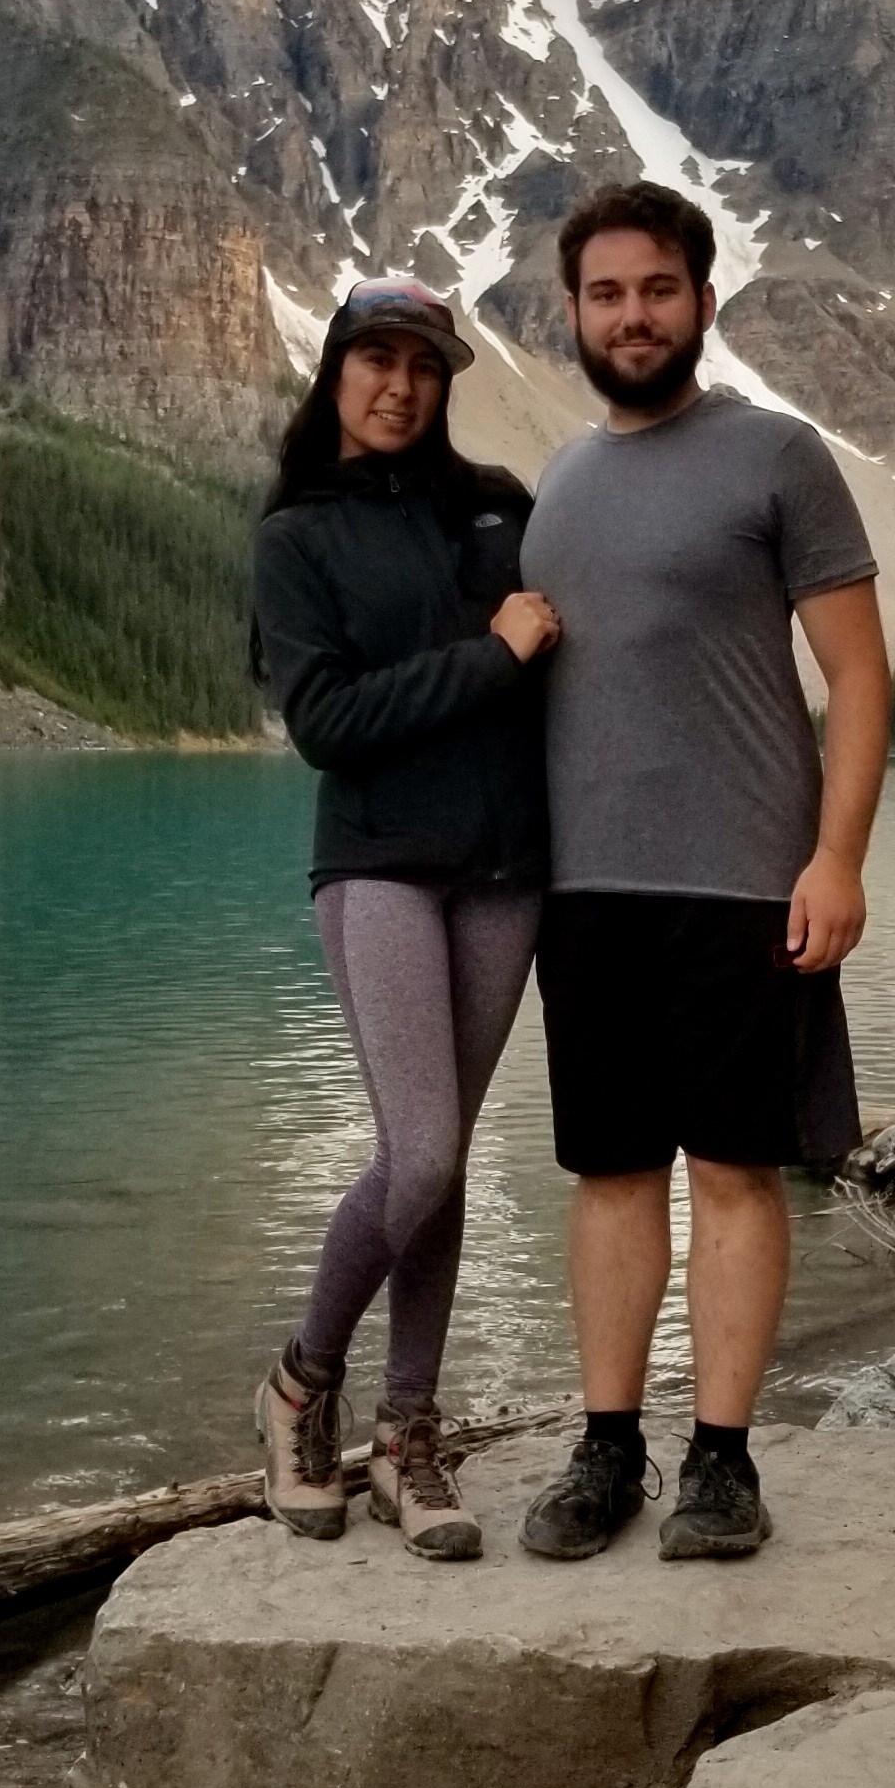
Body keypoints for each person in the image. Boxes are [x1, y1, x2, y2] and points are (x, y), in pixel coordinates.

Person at [517, 181, 892, 1562]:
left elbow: (858, 677)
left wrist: (836, 858)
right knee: (611, 1173)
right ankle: (607, 1446)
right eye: (606, 295)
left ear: (701, 301)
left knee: (736, 1172)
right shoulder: (558, 479)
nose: (632, 316)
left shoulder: (778, 458)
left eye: (656, 290)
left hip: (747, 882)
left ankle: (721, 1459)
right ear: (572, 313)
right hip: (588, 890)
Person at [250, 275, 559, 1558]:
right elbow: (325, 724)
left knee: (448, 1162)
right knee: (420, 1153)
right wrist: (492, 657)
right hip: (375, 864)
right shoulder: (297, 539)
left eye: (423, 366)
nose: (399, 385)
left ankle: (407, 1441)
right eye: (375, 360)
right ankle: (298, 1384)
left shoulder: (495, 511)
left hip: (503, 870)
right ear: (335, 374)